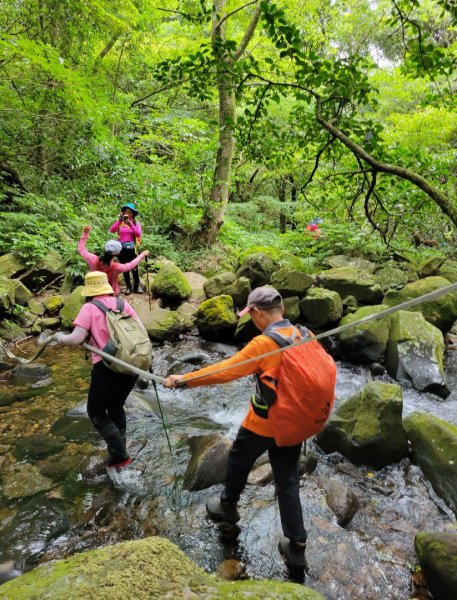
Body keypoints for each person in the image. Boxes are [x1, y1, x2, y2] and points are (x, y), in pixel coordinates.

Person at [164, 286, 308, 570]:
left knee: (239, 457)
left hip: (265, 423)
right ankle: (297, 546)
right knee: (288, 481)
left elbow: (224, 371)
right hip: (296, 424)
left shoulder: (263, 344)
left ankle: (228, 507)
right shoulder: (303, 334)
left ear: (255, 312)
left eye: (249, 314)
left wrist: (183, 380)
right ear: (283, 310)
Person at [53, 271, 141, 470]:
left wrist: (59, 337)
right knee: (116, 406)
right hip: (130, 365)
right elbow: (140, 331)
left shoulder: (89, 308)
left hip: (107, 367)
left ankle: (121, 457)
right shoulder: (123, 304)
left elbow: (75, 339)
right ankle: (120, 450)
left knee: (96, 411)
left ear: (89, 290)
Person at [78, 225, 149, 296]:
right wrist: (142, 254)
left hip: (94, 292)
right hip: (111, 293)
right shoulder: (117, 267)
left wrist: (85, 233)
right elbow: (131, 265)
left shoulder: (93, 259)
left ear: (105, 249)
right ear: (118, 253)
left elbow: (81, 250)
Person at [109, 203, 144, 295]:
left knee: (134, 268)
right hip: (122, 249)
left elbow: (138, 234)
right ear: (123, 213)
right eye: (126, 212)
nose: (128, 213)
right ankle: (128, 287)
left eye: (130, 212)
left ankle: (136, 286)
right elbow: (111, 230)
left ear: (132, 214)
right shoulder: (120, 223)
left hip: (133, 249)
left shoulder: (136, 223)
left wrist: (131, 224)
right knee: (125, 268)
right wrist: (119, 221)